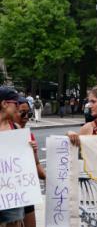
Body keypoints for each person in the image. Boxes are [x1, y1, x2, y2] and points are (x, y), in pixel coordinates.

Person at [14, 97, 45, 227]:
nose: (26, 117)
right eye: (23, 113)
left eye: (29, 113)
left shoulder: (28, 135)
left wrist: (51, 180)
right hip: (8, 194)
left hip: (25, 193)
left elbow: (36, 164)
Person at [0, 87, 28, 226]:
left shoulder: (16, 128)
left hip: (12, 197)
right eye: (15, 104)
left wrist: (30, 150)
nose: (19, 108)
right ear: (4, 104)